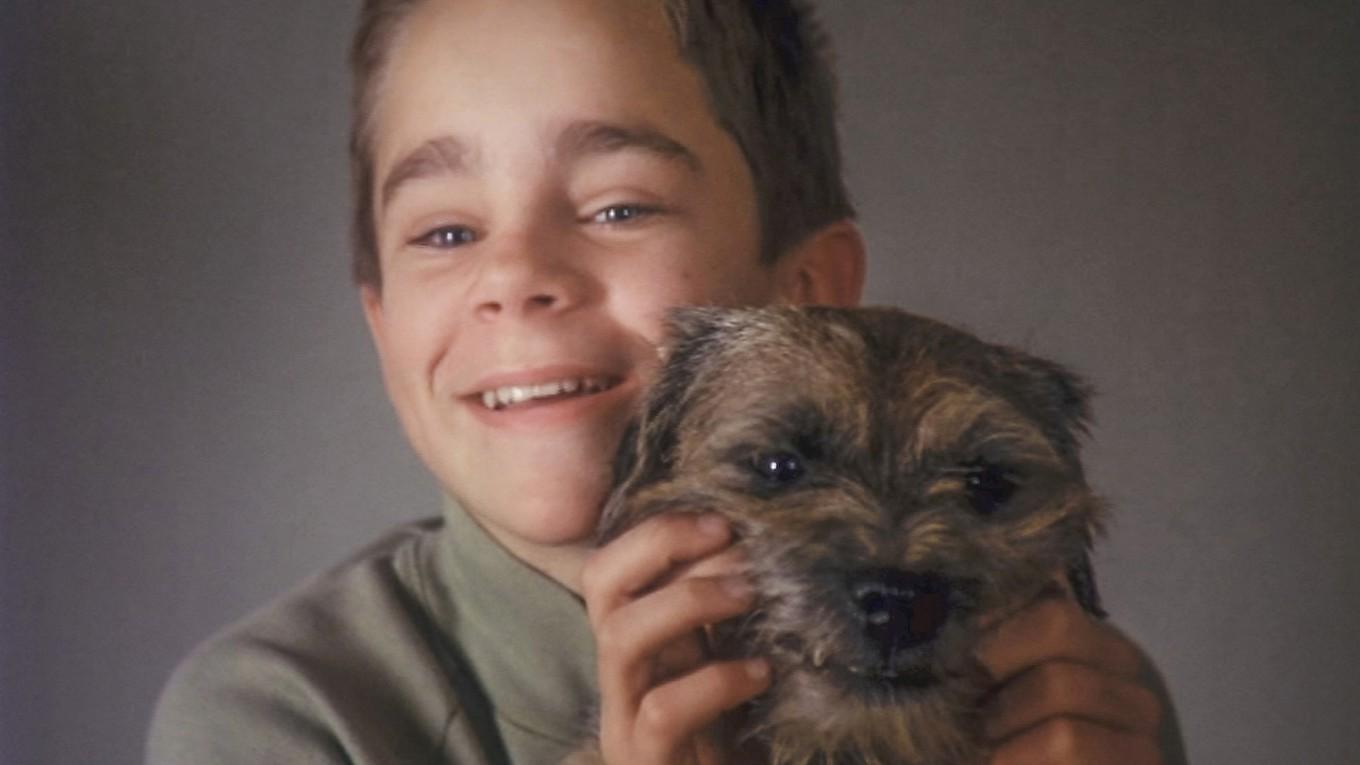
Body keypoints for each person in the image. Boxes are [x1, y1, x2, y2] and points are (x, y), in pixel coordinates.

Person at [147, 1, 1186, 763]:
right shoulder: (279, 716)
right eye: (447, 231)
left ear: (810, 291)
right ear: (380, 321)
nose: (515, 280)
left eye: (617, 207)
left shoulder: (1065, 702)